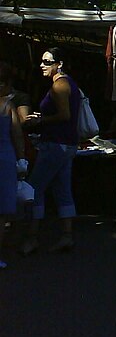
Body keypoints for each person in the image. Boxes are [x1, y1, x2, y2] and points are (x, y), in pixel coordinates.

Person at [21, 48, 81, 255]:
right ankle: (67, 236)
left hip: (56, 144)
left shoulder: (59, 85)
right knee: (62, 189)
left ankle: (32, 238)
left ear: (59, 64)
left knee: (34, 189)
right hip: (66, 144)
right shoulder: (67, 83)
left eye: (47, 62)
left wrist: (40, 120)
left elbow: (64, 115)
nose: (42, 65)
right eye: (42, 61)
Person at [0, 62, 27, 269]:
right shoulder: (8, 106)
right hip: (5, 158)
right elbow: (17, 135)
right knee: (2, 210)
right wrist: (22, 159)